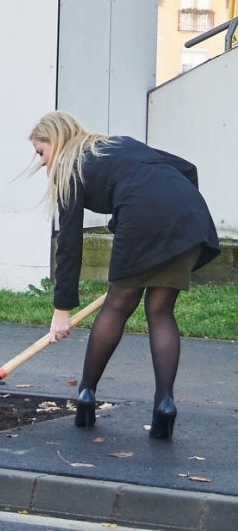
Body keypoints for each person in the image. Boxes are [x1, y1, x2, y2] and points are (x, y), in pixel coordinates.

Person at [30, 111, 220, 440]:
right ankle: (165, 404)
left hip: (145, 217)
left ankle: (86, 396)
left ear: (55, 142)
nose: (43, 163)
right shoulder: (118, 144)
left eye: (40, 152)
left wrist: (62, 310)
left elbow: (69, 244)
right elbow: (186, 170)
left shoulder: (69, 167)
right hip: (189, 217)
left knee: (117, 306)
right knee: (160, 311)